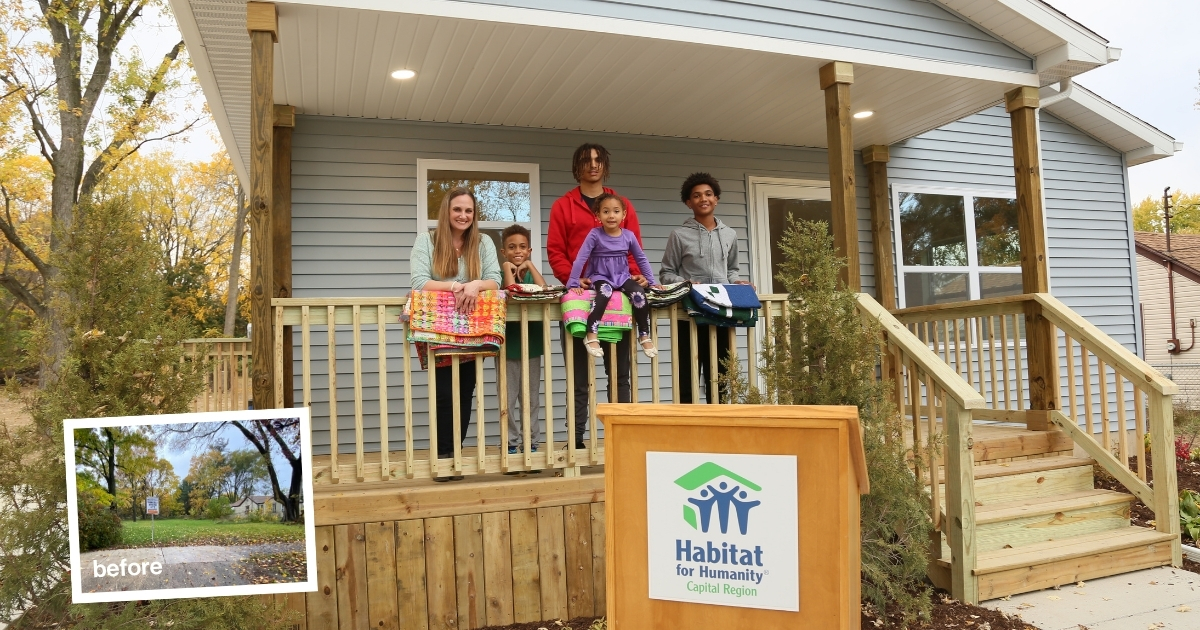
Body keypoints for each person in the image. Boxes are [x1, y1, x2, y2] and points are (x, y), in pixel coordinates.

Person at [547, 143, 645, 449]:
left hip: (618, 301)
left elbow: (634, 248)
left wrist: (633, 276)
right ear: (577, 166)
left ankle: (622, 439)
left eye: (598, 160)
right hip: (580, 299)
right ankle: (576, 441)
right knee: (578, 376)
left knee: (619, 373)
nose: (593, 165)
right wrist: (574, 280)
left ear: (605, 165)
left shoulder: (621, 204)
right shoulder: (563, 206)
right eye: (586, 161)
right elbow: (556, 251)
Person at [410, 187, 503, 481]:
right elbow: (420, 282)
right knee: (442, 394)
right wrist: (457, 287)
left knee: (465, 392)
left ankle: (456, 458)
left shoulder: (484, 241)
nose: (463, 216)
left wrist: (475, 285)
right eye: (457, 210)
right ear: (447, 212)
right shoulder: (427, 240)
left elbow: (496, 279)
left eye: (468, 211)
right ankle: (442, 459)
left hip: (475, 328)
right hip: (439, 329)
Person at [660, 172, 741, 404]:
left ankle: (719, 423)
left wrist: (737, 282)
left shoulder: (730, 234)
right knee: (688, 369)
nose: (703, 199)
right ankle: (688, 424)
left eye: (708, 194)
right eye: (696, 196)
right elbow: (666, 273)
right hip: (689, 312)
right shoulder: (679, 235)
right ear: (689, 202)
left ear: (716, 198)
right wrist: (685, 283)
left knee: (720, 371)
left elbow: (732, 270)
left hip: (722, 310)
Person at [566, 193, 658, 358]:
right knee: (605, 292)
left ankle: (644, 334)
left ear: (623, 214)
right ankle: (591, 333)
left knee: (638, 294)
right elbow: (581, 258)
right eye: (606, 211)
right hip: (599, 275)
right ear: (598, 215)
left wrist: (651, 281)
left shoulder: (628, 236)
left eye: (616, 211)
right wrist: (573, 283)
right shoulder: (595, 234)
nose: (611, 215)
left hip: (622, 276)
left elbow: (641, 258)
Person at [500, 224, 547, 461]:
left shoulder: (531, 272)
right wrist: (508, 268)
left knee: (530, 399)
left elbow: (544, 289)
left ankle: (531, 443)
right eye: (511, 247)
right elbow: (511, 289)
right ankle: (510, 443)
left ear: (529, 250)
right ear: (504, 251)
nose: (517, 251)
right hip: (508, 346)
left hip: (532, 346)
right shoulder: (500, 273)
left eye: (521, 247)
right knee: (507, 399)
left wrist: (529, 266)